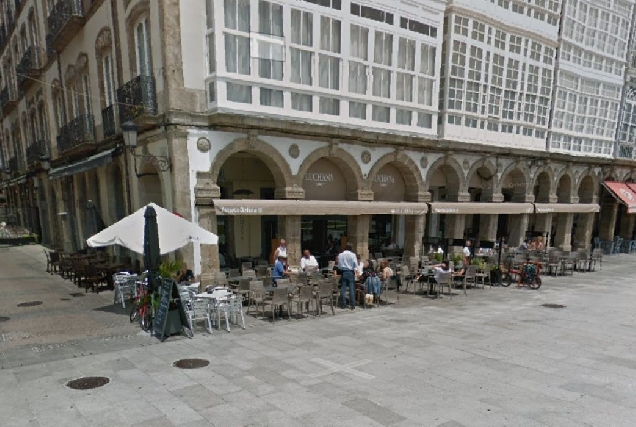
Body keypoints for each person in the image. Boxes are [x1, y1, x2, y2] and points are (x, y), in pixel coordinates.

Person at [337, 244, 358, 310]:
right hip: (351, 272)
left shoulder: (340, 255)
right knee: (351, 289)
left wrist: (342, 268)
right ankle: (352, 305)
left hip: (344, 272)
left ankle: (343, 304)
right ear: (351, 249)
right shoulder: (353, 255)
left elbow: (339, 265)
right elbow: (356, 264)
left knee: (343, 288)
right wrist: (355, 271)